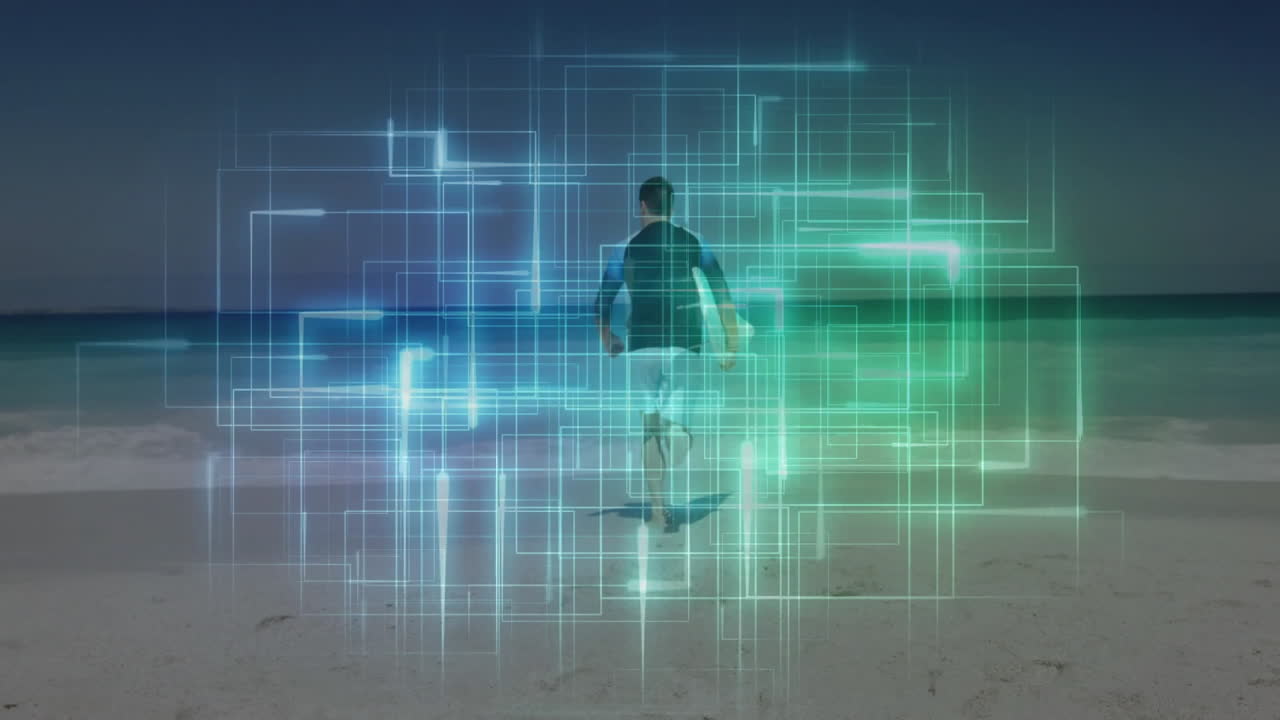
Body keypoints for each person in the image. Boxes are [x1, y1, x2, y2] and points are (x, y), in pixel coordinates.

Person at [595, 176, 740, 533]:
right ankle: (670, 455)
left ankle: (659, 507)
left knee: (649, 430)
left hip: (641, 346)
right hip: (684, 345)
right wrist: (731, 342)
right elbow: (721, 294)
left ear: (642, 206)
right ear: (672, 207)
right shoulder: (694, 241)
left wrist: (608, 339)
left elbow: (602, 302)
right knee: (681, 429)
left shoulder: (624, 247)